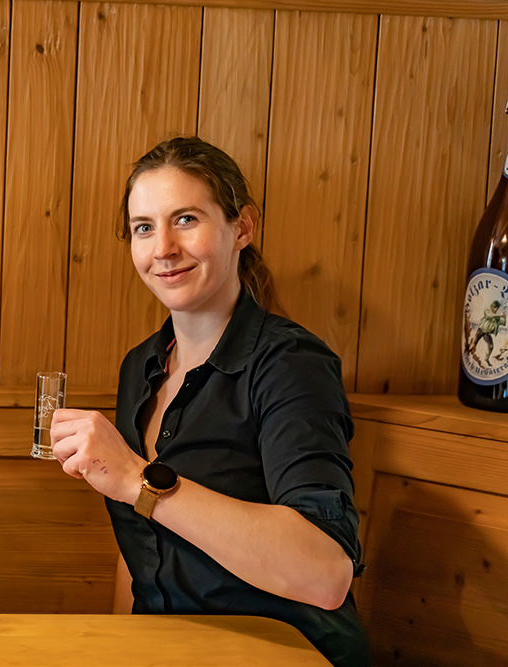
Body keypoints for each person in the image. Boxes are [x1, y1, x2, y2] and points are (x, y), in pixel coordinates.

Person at [49, 137, 370, 666]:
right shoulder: (141, 367)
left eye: (187, 220)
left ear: (242, 227)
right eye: (144, 228)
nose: (163, 248)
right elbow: (141, 562)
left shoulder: (290, 364)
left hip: (288, 653)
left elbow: (326, 572)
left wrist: (137, 478)